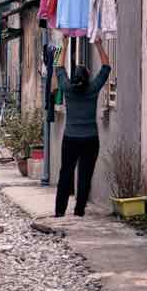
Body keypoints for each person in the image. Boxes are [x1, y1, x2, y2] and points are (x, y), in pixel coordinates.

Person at [54, 38, 111, 218]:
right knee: (85, 175)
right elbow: (106, 67)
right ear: (87, 77)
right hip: (90, 139)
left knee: (65, 173)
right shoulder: (92, 89)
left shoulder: (68, 89)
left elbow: (59, 68)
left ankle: (59, 211)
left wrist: (64, 45)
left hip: (70, 139)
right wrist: (98, 44)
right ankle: (79, 211)